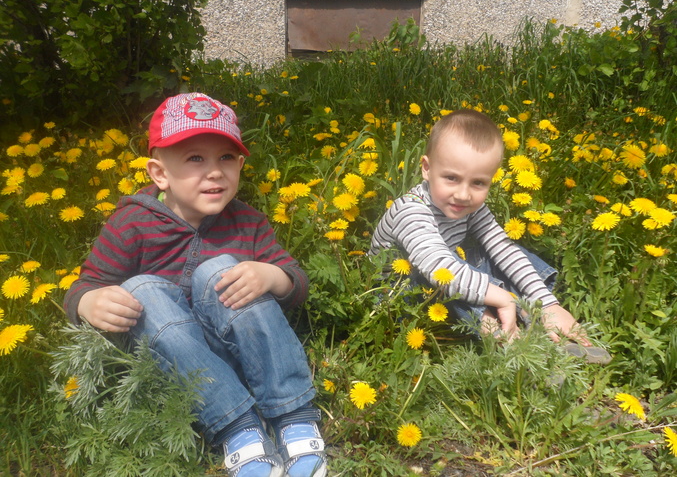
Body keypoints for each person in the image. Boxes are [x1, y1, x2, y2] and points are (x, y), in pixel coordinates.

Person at [63, 92, 327, 477]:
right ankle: (239, 429)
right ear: (160, 174)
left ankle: (293, 414)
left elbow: (297, 282)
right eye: (195, 159)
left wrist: (271, 276)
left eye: (226, 158)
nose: (215, 172)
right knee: (142, 290)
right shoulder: (131, 224)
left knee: (222, 270)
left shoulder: (248, 222)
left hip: (244, 353)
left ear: (239, 165)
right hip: (177, 363)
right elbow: (84, 286)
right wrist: (89, 302)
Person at [369, 108, 610, 363]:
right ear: (427, 168)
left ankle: (541, 315)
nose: (463, 194)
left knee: (502, 252)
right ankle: (509, 344)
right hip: (399, 296)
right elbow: (438, 267)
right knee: (450, 272)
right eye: (451, 178)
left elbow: (501, 247)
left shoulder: (470, 207)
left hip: (442, 273)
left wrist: (548, 303)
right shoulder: (411, 211)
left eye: (478, 183)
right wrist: (500, 297)